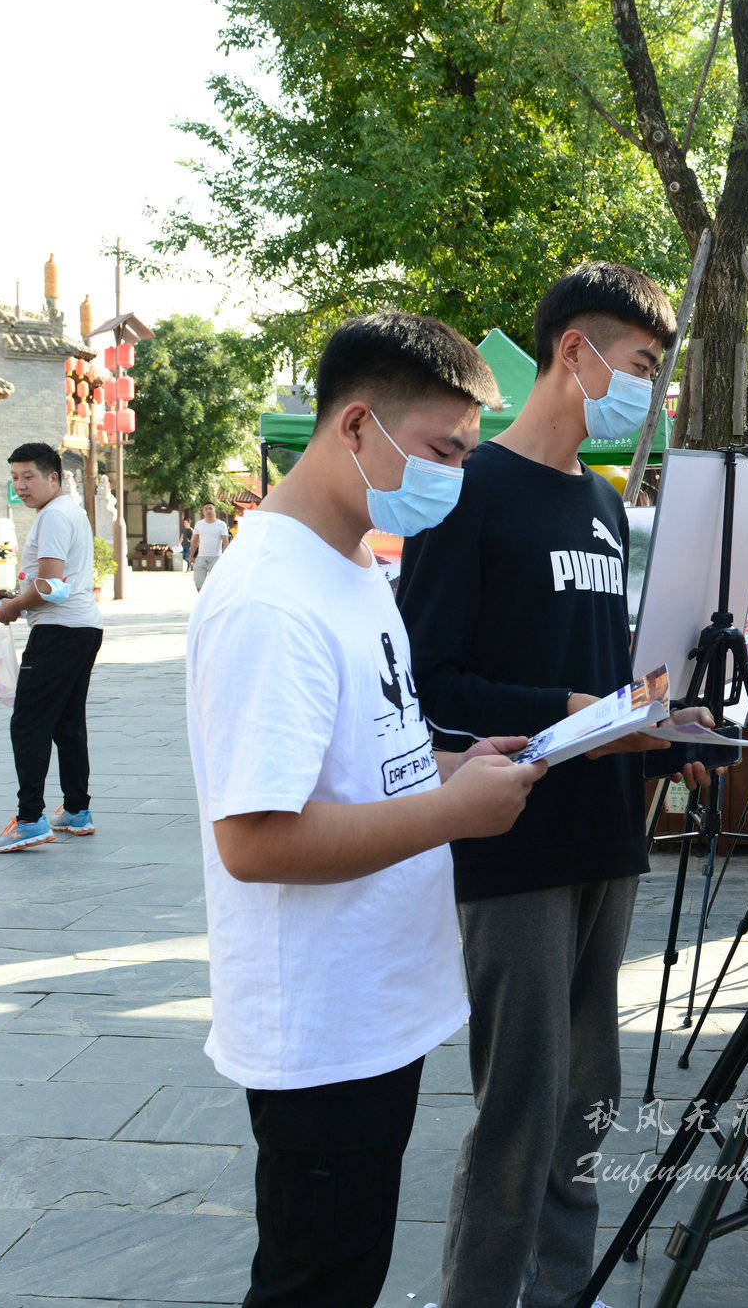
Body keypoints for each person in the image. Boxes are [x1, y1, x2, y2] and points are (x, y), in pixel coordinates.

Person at [188, 311, 545, 1307]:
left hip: (371, 994)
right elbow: (255, 839)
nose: (454, 477)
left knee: (346, 1263)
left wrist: (448, 759)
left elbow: (365, 747)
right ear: (354, 426)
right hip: (319, 1017)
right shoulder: (270, 597)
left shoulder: (352, 561)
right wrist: (451, 813)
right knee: (317, 1279)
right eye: (440, 450)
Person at [398, 262, 708, 1308]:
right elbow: (431, 685)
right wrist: (575, 712)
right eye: (639, 364)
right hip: (513, 838)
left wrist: (659, 724)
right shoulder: (466, 491)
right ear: (571, 352)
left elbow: (599, 671)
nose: (648, 391)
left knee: (586, 1102)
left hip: (605, 835)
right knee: (520, 1109)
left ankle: (562, 1289)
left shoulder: (604, 506)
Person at [0, 443, 102, 852]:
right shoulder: (69, 510)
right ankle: (76, 809)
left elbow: (53, 585)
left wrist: (13, 607)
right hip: (81, 627)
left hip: (59, 630)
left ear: (53, 477)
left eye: (29, 477)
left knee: (29, 724)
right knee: (66, 723)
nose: (21, 486)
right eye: (15, 478)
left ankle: (31, 819)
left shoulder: (53, 515)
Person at [191, 502, 230, 590]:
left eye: (210, 508)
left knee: (216, 584)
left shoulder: (221, 524)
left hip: (216, 558)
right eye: (206, 509)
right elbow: (194, 541)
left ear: (214, 510)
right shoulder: (199, 524)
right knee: (198, 583)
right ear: (203, 512)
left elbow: (225, 542)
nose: (208, 511)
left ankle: (213, 601)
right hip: (201, 557)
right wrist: (191, 556)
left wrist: (225, 557)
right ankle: (203, 601)